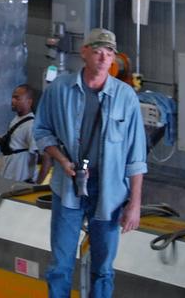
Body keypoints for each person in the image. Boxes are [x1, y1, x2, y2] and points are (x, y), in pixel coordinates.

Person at [34, 27, 147, 298]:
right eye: (97, 51)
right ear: (84, 53)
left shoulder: (125, 97)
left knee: (104, 268)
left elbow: (136, 157)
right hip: (68, 188)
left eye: (109, 53)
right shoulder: (60, 89)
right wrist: (61, 160)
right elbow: (41, 131)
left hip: (109, 192)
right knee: (60, 265)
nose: (103, 58)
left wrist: (135, 204)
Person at [0, 83, 50, 183]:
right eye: (13, 97)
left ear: (29, 101)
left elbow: (46, 158)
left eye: (17, 98)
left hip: (21, 183)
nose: (13, 101)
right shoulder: (16, 119)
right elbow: (10, 146)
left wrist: (36, 186)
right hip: (8, 179)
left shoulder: (31, 126)